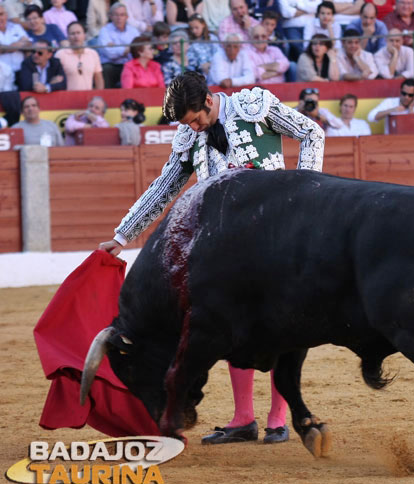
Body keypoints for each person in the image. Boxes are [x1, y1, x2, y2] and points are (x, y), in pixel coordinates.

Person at [98, 71, 324, 445]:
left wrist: (305, 194)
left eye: (196, 119)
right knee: (234, 326)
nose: (195, 127)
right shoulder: (190, 134)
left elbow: (311, 133)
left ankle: (278, 420)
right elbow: (166, 186)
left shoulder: (255, 106)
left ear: (206, 101)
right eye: (188, 124)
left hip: (275, 237)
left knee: (283, 326)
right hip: (226, 250)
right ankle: (243, 418)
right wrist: (123, 235)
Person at [97, 3, 140, 88]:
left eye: (122, 15)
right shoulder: (104, 31)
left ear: (127, 17)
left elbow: (138, 49)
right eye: (116, 15)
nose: (119, 18)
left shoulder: (133, 31)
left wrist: (116, 46)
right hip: (111, 65)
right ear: (111, 16)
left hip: (130, 64)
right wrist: (128, 49)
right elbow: (110, 53)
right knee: (106, 69)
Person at [56, 21, 104, 90]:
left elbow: (98, 79)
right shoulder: (60, 54)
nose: (76, 36)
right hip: (67, 98)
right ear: (68, 37)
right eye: (72, 34)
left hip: (88, 98)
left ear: (84, 35)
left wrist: (99, 95)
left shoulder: (93, 53)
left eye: (78, 33)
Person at [0, 4, 31, 74]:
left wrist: (5, 49)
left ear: (6, 15)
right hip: (1, 74)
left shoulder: (16, 27)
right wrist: (19, 44)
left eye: (1, 14)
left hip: (21, 71)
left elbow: (28, 43)